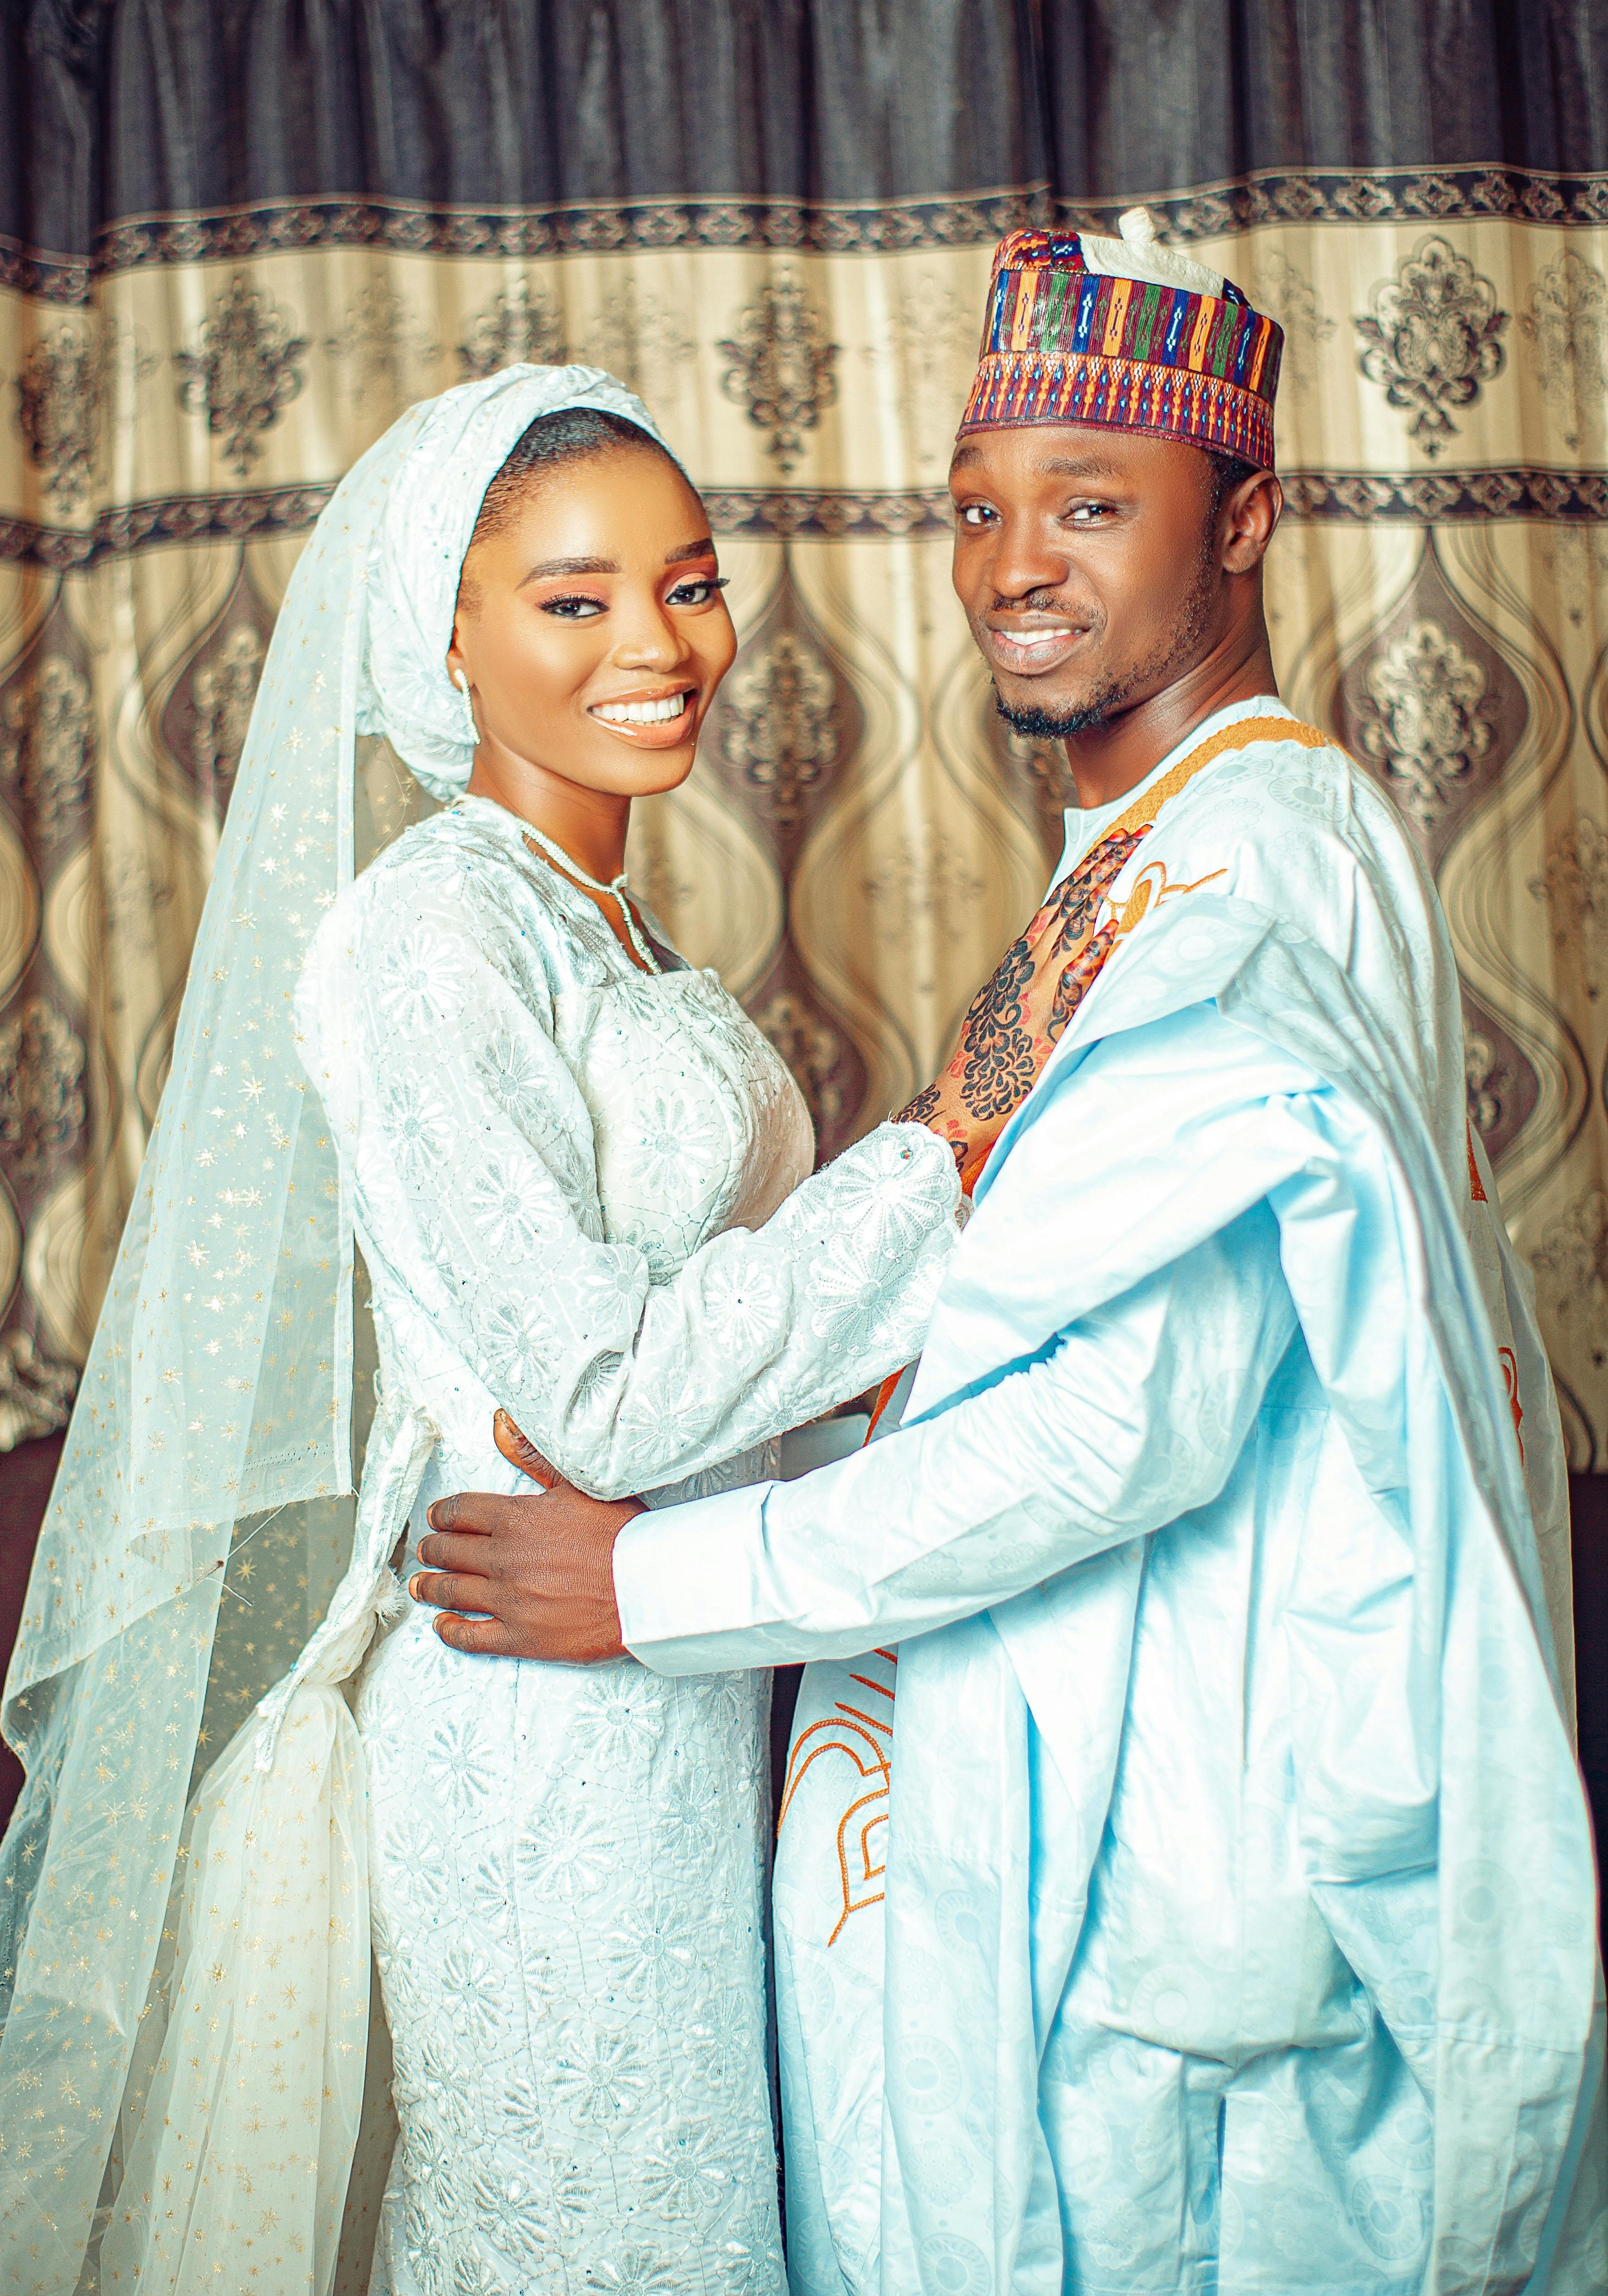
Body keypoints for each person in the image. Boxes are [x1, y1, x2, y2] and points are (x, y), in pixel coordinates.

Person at [411, 220, 1607, 2294]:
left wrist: (656, 1579)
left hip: (1170, 1897)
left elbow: (1122, 1427)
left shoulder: (1244, 870)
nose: (1011, 565)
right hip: (1050, 1835)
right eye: (978, 508)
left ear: (1244, 523)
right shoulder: (1148, 845)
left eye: (1087, 505)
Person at [0, 365, 963, 2296]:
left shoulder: (610, 929)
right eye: (574, 598)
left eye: (689, 584)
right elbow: (598, 1396)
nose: (660, 645)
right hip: (535, 1713)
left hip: (680, 1666)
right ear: (447, 629)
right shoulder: (425, 933)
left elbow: (692, 1379)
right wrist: (941, 1160)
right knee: (594, 2236)